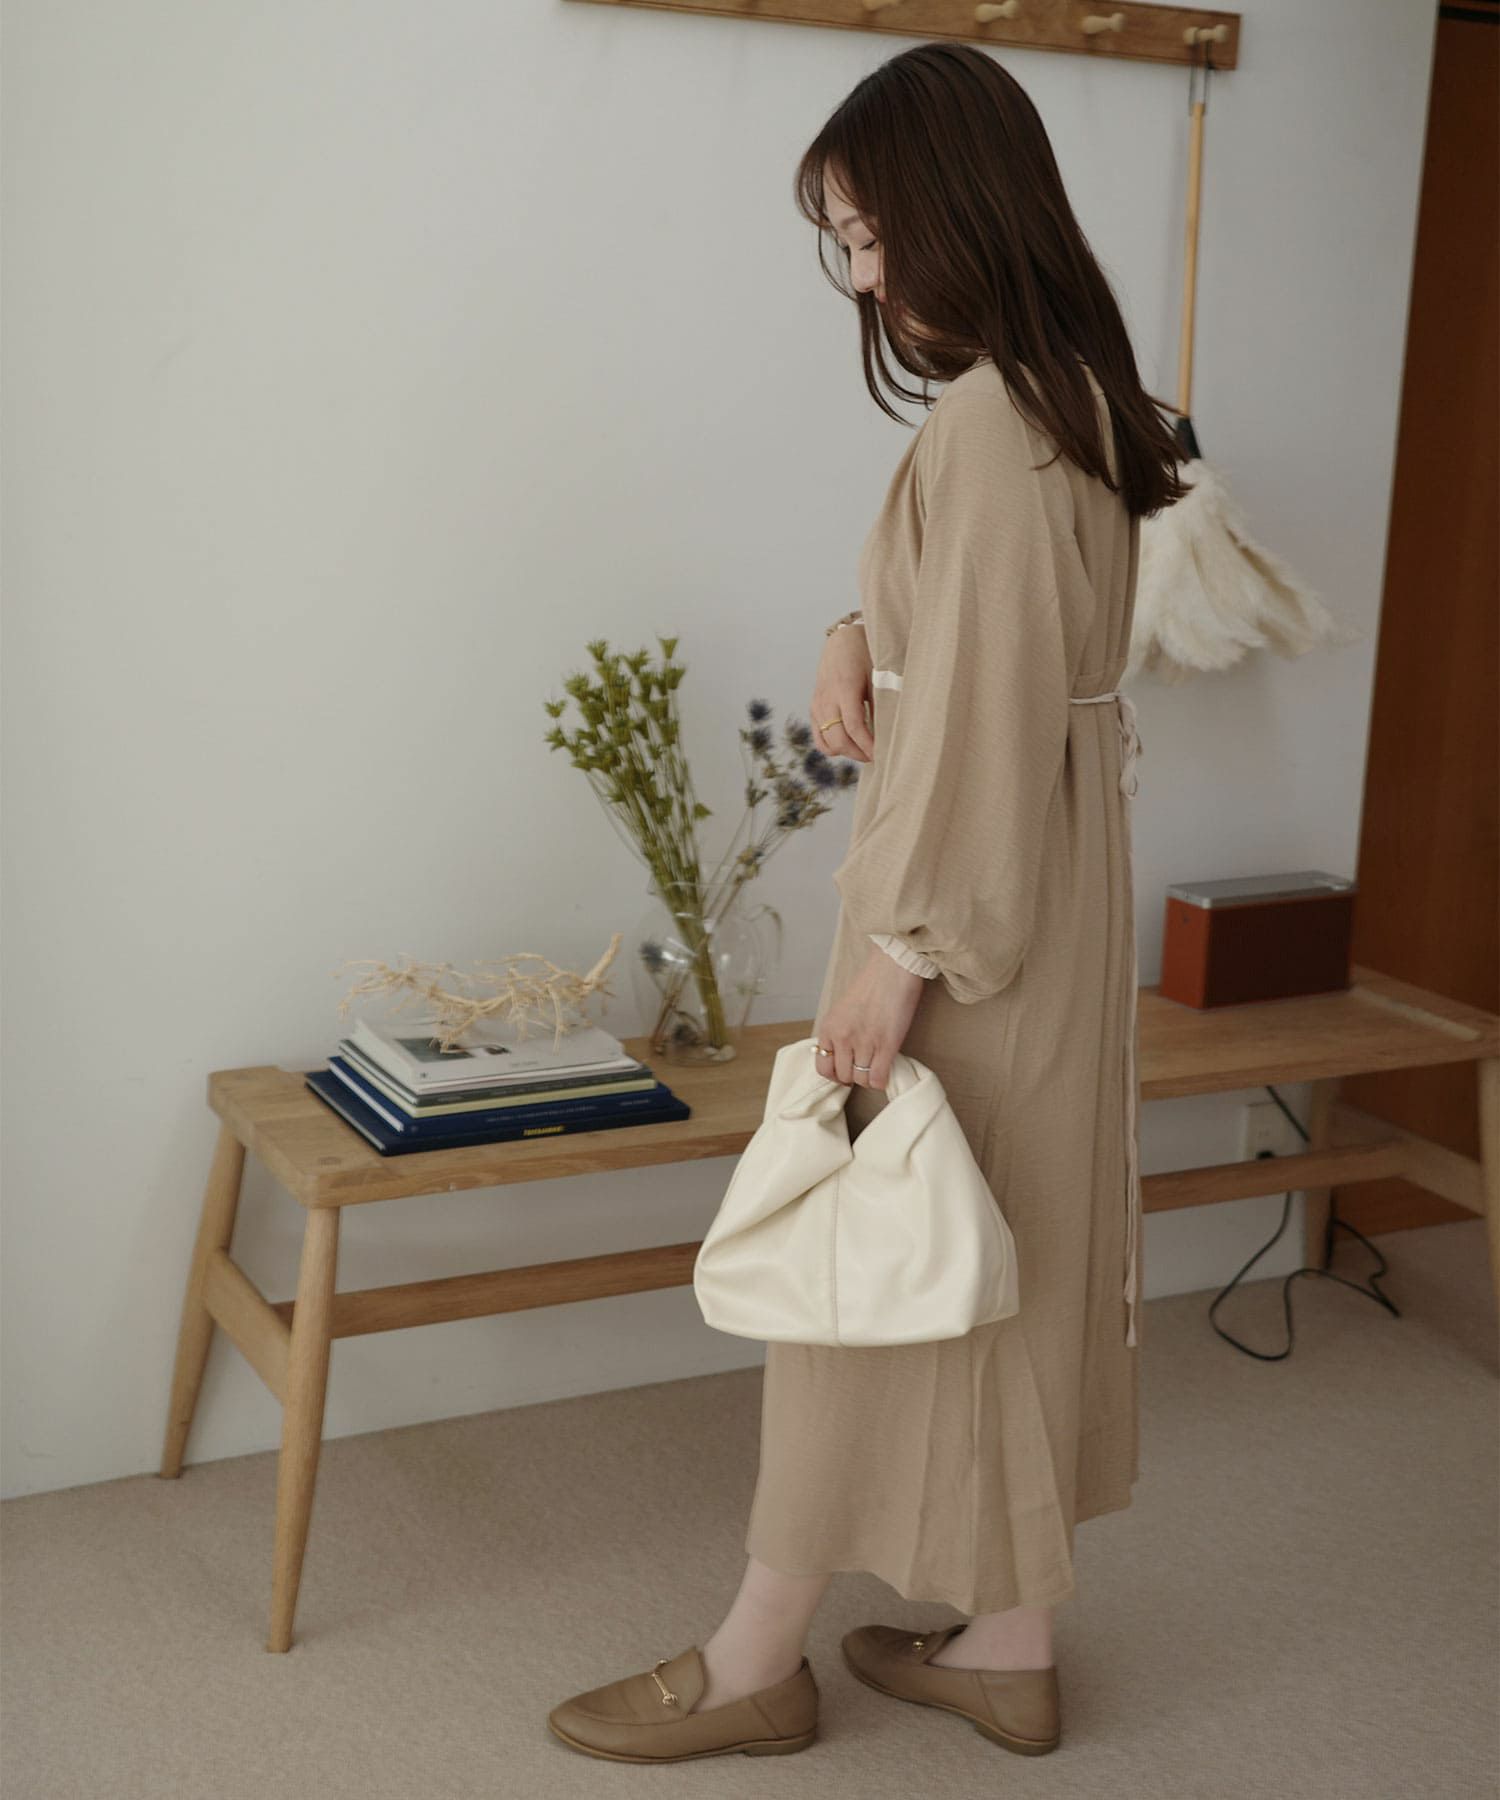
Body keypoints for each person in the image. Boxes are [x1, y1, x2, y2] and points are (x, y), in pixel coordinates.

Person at [546, 39, 1186, 1765]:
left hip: (965, 908)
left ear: (956, 208)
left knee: (866, 1258)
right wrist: (857, 630)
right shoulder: (1075, 402)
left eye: (871, 233)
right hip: (1048, 897)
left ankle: (757, 1657)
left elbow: (976, 712)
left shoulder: (987, 431)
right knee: (997, 1254)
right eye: (843, 243)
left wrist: (897, 959)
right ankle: (1007, 1640)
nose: (861, 276)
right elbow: (998, 639)